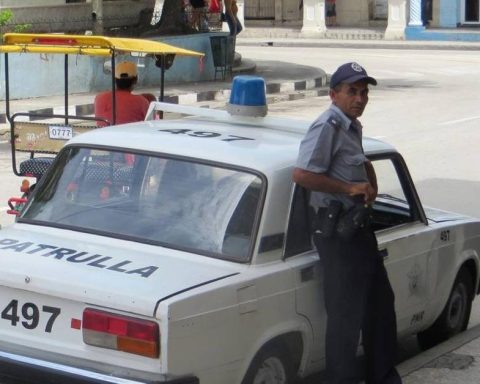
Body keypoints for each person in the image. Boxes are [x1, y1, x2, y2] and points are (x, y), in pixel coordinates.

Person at [292, 62, 402, 384]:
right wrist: (348, 188)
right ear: (333, 94)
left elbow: (349, 164)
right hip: (337, 237)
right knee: (345, 320)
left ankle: (383, 377)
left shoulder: (351, 127)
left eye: (364, 92)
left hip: (358, 231)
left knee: (381, 307)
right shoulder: (328, 125)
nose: (360, 98)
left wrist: (365, 172)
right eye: (352, 91)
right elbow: (302, 174)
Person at [94, 61, 151, 127]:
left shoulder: (99, 98)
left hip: (102, 136)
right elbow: (150, 125)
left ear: (115, 80)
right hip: (129, 136)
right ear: (135, 80)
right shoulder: (142, 102)